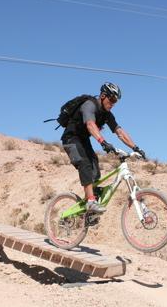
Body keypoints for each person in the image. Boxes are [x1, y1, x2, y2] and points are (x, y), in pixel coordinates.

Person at [61, 82, 146, 214]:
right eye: (111, 99)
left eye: (115, 101)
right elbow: (90, 124)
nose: (113, 103)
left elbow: (120, 132)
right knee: (84, 164)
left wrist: (136, 147)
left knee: (95, 168)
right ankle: (90, 201)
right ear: (102, 95)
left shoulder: (107, 114)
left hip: (83, 140)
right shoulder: (89, 105)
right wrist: (103, 142)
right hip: (70, 138)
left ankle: (90, 205)